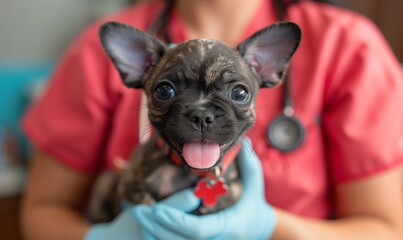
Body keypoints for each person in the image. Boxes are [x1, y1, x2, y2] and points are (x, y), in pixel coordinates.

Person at [20, 0, 403, 239]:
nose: (203, 114)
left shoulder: (348, 44)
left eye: (237, 94)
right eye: (166, 91)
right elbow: (41, 212)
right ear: (138, 67)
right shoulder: (94, 50)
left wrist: (270, 227)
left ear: (266, 69)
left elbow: (387, 229)